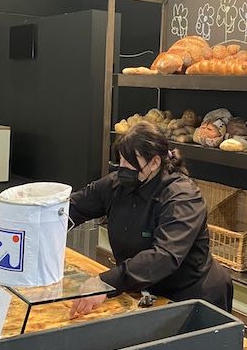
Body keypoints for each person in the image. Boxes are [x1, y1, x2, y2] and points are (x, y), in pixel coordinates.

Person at [68, 120, 232, 318]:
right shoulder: (117, 185)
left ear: (154, 162)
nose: (122, 168)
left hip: (192, 296)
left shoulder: (183, 197)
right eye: (121, 160)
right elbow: (74, 207)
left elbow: (164, 256)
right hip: (146, 292)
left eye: (130, 162)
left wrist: (106, 282)